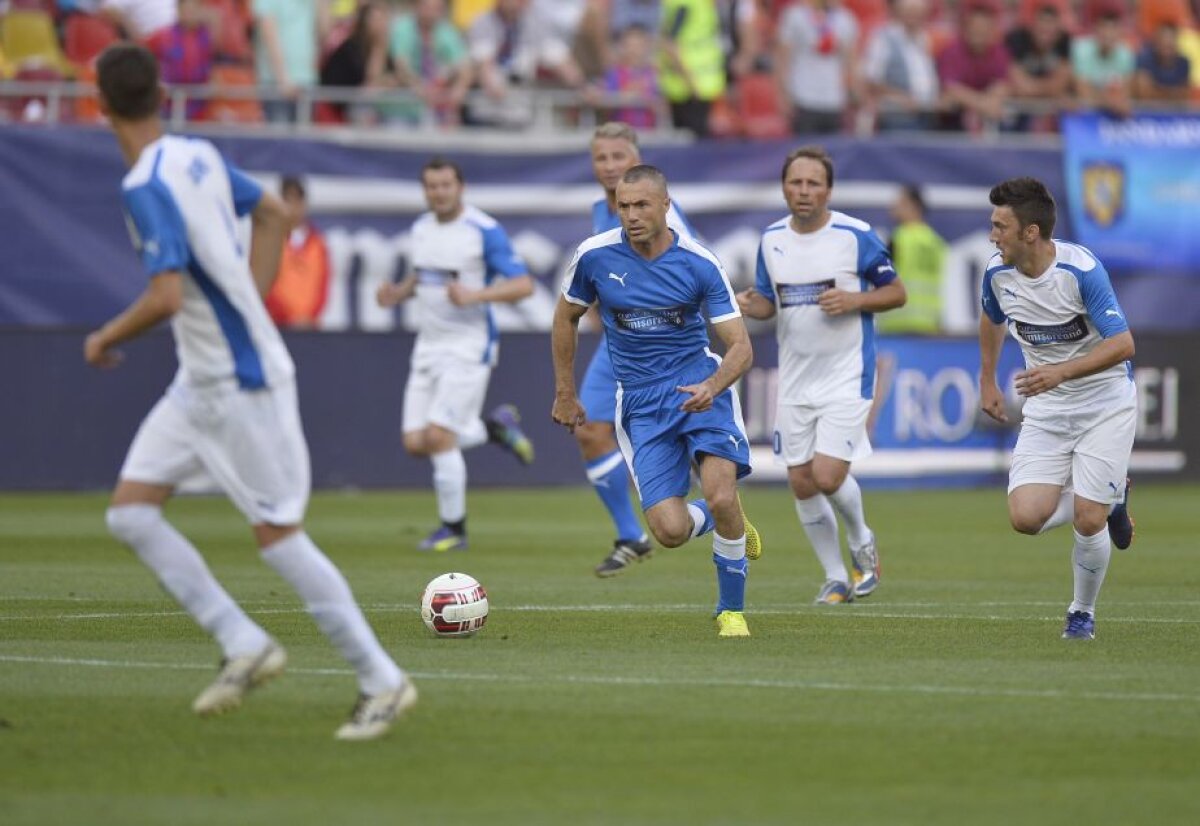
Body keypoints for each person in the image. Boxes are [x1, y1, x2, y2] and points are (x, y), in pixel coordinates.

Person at [85, 43, 414, 740]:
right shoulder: (194, 155)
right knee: (131, 513)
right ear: (161, 96)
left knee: (277, 537)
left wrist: (105, 337)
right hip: (201, 379)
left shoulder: (144, 184)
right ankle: (243, 641)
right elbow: (270, 213)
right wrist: (253, 305)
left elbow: (167, 295)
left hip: (241, 381)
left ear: (101, 104)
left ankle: (382, 681)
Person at [552, 164, 761, 638]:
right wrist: (565, 391)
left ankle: (731, 611)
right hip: (641, 402)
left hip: (699, 388)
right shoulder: (594, 257)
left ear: (666, 205)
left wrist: (713, 386)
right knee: (668, 531)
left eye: (642, 205)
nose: (631, 215)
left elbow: (741, 346)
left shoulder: (700, 262)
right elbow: (564, 318)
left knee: (721, 489)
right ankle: (724, 519)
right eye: (624, 207)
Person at [736, 146, 907, 605]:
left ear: (828, 190)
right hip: (795, 378)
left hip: (846, 374)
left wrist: (856, 301)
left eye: (814, 183)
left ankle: (862, 544)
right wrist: (756, 307)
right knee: (801, 481)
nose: (804, 191)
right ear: (784, 187)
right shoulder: (771, 239)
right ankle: (835, 577)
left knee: (828, 475)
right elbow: (770, 303)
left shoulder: (855, 235)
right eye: (796, 182)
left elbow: (896, 292)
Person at [978, 176, 1136, 641]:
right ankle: (1111, 496)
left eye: (1000, 226)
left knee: (1088, 518)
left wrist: (1062, 372)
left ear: (1030, 232)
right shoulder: (996, 273)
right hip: (1048, 410)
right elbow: (991, 319)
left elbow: (1124, 344)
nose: (992, 235)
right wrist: (986, 378)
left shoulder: (1081, 270)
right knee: (1025, 519)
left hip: (1104, 403)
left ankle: (1081, 613)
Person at [376, 158, 536, 553]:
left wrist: (476, 295)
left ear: (460, 187)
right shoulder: (421, 228)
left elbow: (523, 285)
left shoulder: (483, 231)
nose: (439, 192)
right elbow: (424, 274)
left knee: (439, 436)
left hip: (468, 345)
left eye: (445, 185)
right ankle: (493, 429)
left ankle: (453, 529)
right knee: (416, 442)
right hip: (427, 345)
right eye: (431, 186)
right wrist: (398, 292)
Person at [578, 122, 700, 578]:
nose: (609, 166)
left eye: (618, 156)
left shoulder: (664, 213)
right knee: (589, 428)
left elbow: (696, 265)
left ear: (638, 160)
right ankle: (630, 535)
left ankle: (717, 510)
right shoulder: (598, 210)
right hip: (620, 342)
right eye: (600, 158)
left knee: (691, 443)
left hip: (667, 343)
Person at [878, 184, 946, 334]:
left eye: (900, 203)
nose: (893, 207)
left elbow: (879, 278)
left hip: (897, 323)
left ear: (914, 206)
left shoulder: (899, 238)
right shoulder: (936, 242)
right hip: (929, 324)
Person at [264, 176, 331, 328]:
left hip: (310, 326)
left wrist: (309, 316)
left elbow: (323, 286)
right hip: (279, 325)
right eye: (288, 200)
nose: (293, 206)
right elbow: (266, 283)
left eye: (297, 200)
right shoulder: (270, 240)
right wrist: (286, 317)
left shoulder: (318, 244)